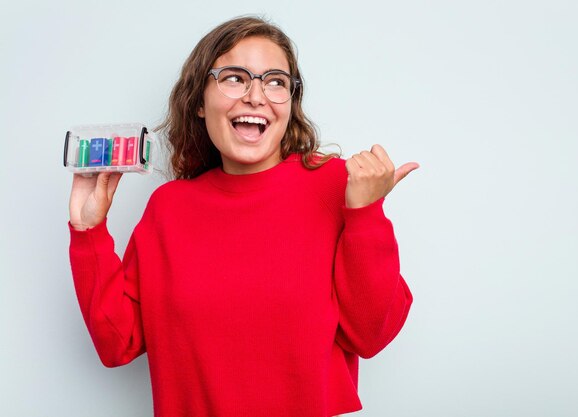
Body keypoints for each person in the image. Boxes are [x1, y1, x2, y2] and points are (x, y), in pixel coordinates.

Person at [68, 16, 418, 417]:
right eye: (234, 78)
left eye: (275, 81)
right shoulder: (169, 208)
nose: (256, 96)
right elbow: (118, 343)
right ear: (199, 102)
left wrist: (366, 214)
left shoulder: (336, 185)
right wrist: (87, 232)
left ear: (290, 102)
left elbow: (371, 335)